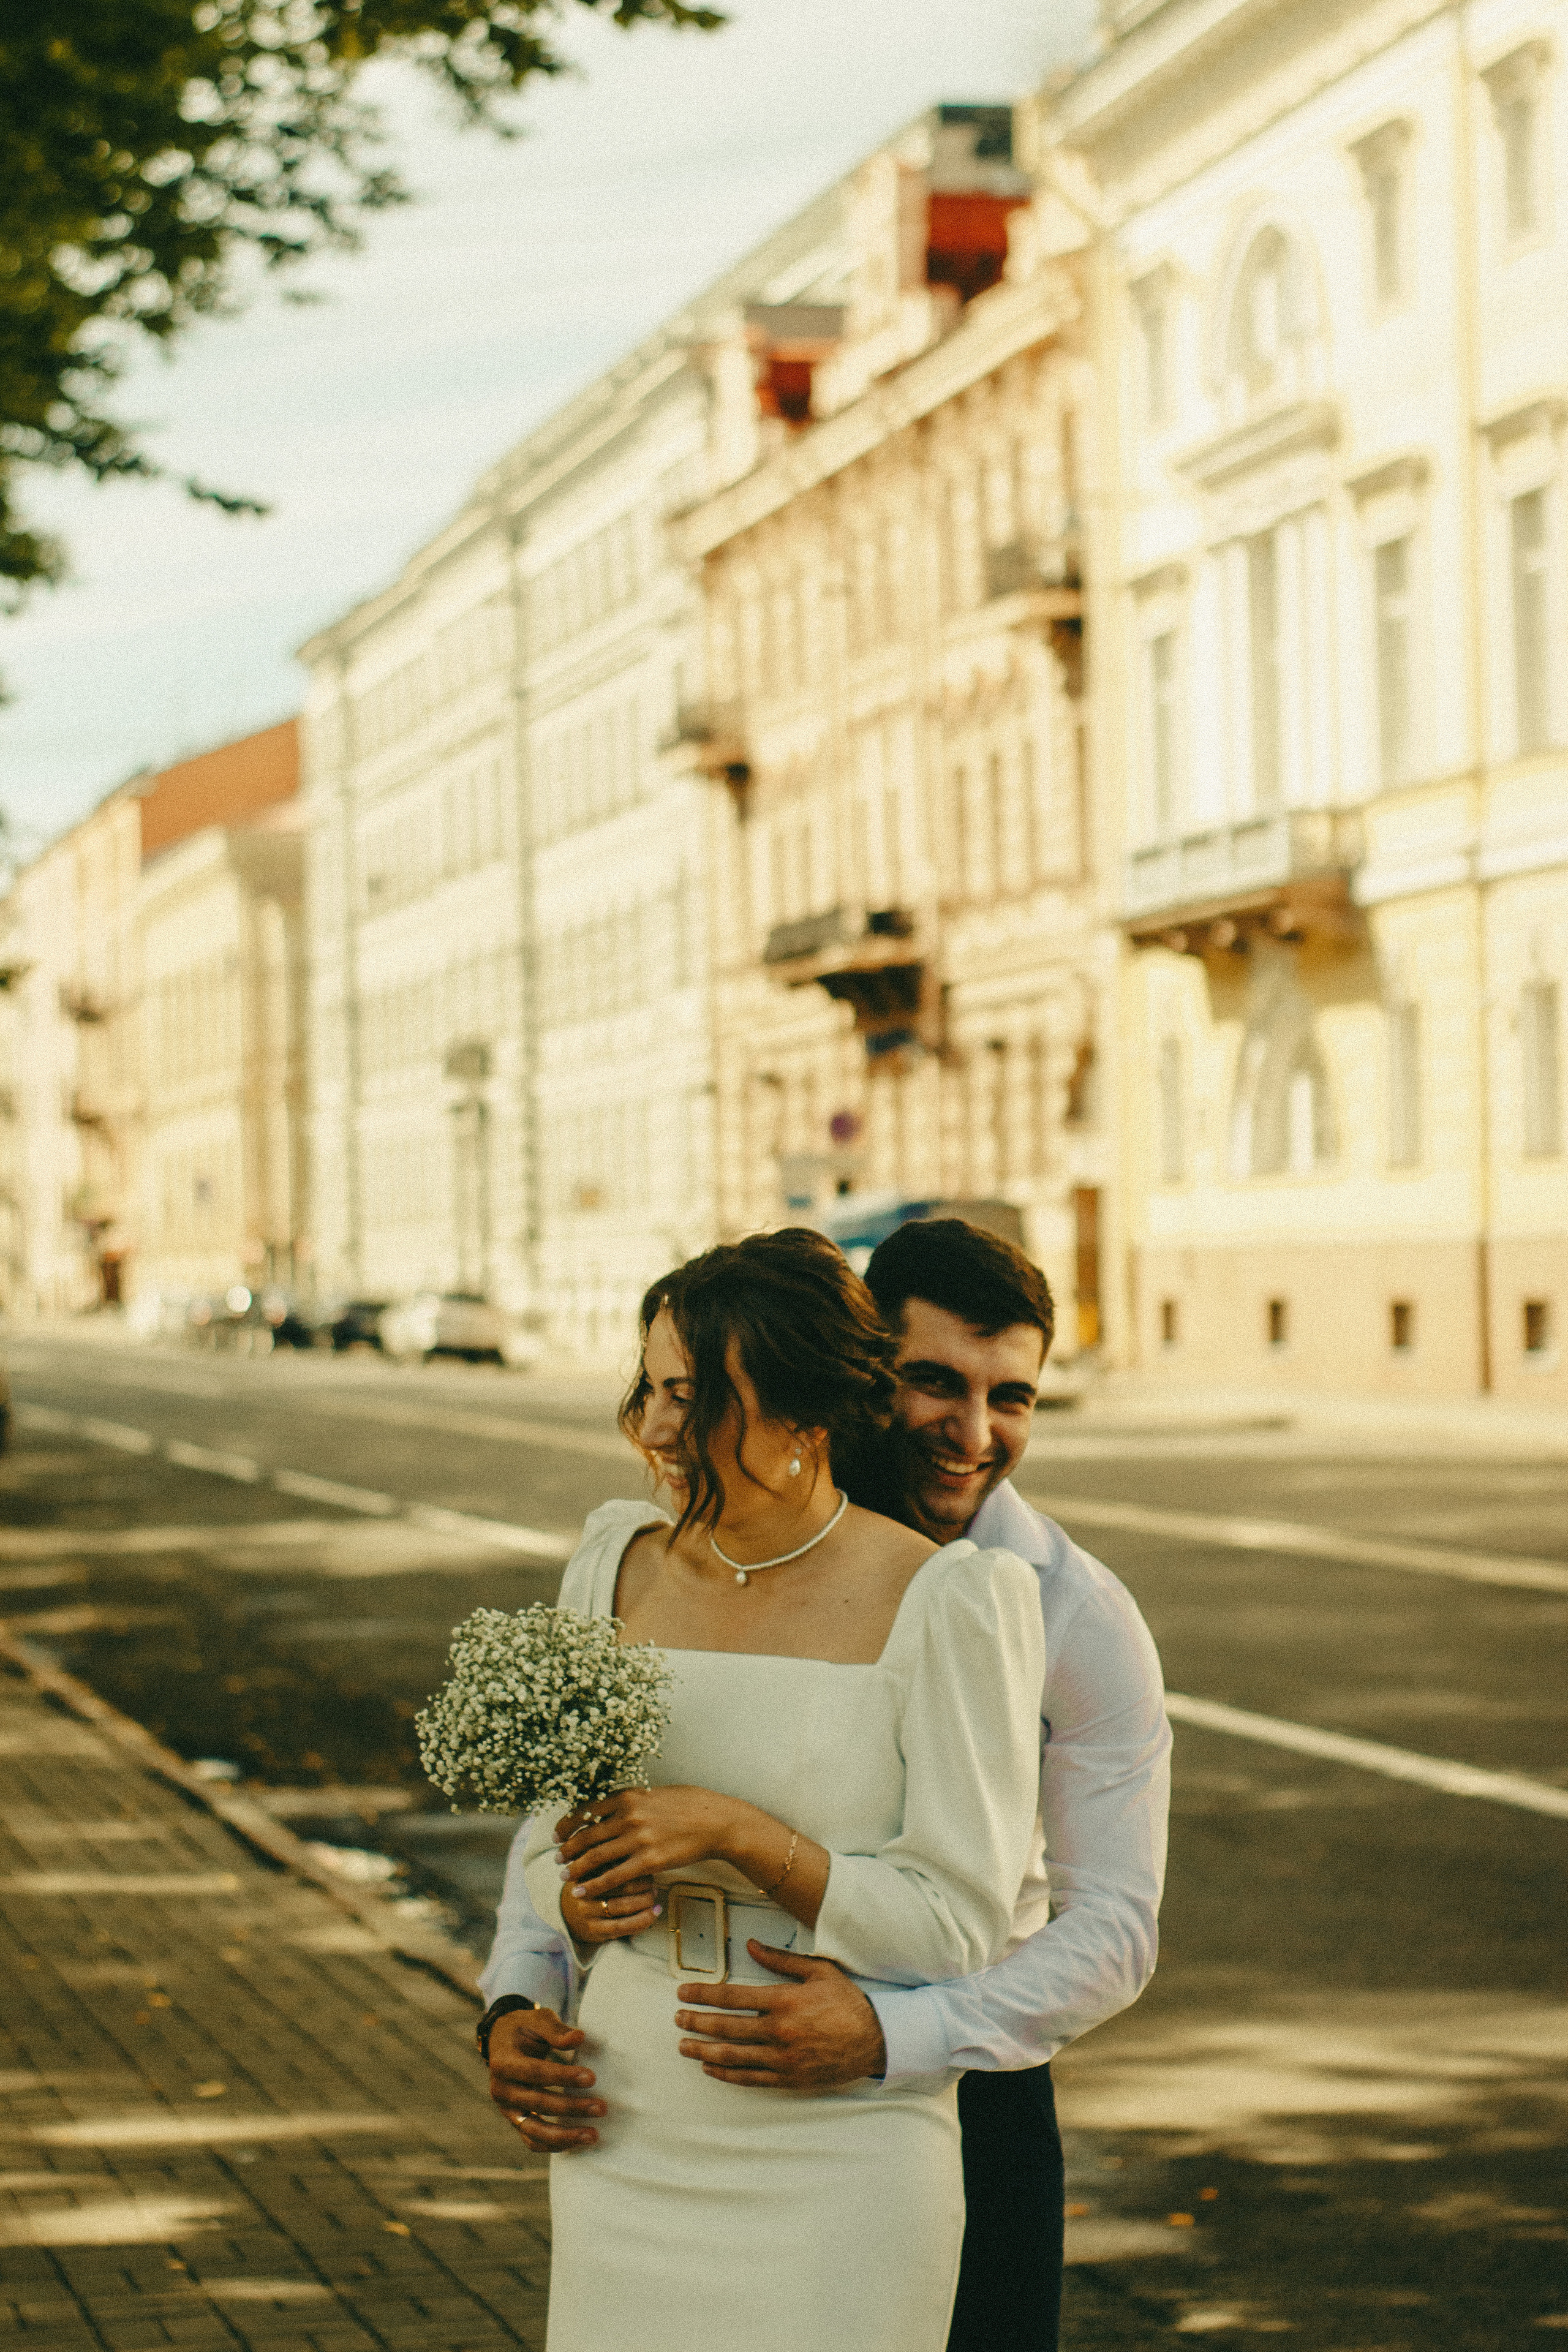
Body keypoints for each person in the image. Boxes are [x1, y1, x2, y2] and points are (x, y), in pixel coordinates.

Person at [480, 1216, 1170, 2352]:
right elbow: (564, 1831)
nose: (972, 1433)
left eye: (1011, 1398)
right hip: (657, 2100)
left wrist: (895, 2033)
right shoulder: (648, 1556)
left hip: (964, 2069)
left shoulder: (1061, 1607)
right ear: (856, 1371)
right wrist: (518, 1995)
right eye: (935, 1383)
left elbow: (1112, 1929)